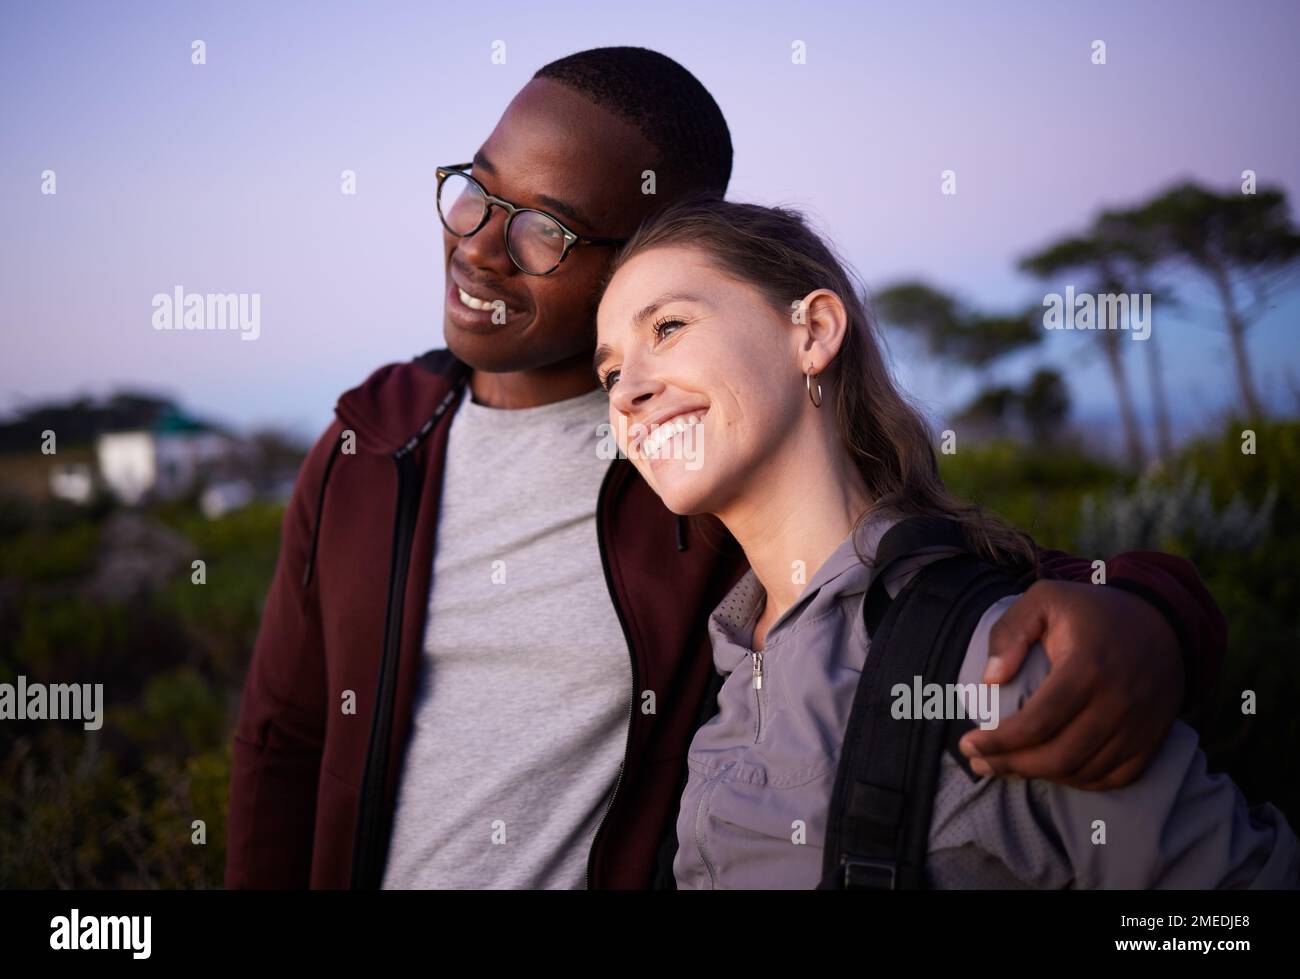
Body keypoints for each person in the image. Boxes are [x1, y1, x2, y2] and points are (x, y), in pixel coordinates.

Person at [226, 47, 1227, 890]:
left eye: (545, 227)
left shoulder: (693, 458)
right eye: (476, 188)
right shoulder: (370, 442)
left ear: (644, 252)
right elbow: (281, 741)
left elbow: (924, 576)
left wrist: (1152, 614)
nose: (480, 244)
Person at [592, 194, 1297, 888]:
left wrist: (1155, 614)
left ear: (812, 333)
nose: (627, 392)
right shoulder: (713, 671)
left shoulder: (1006, 658)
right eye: (611, 372)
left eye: (669, 326)